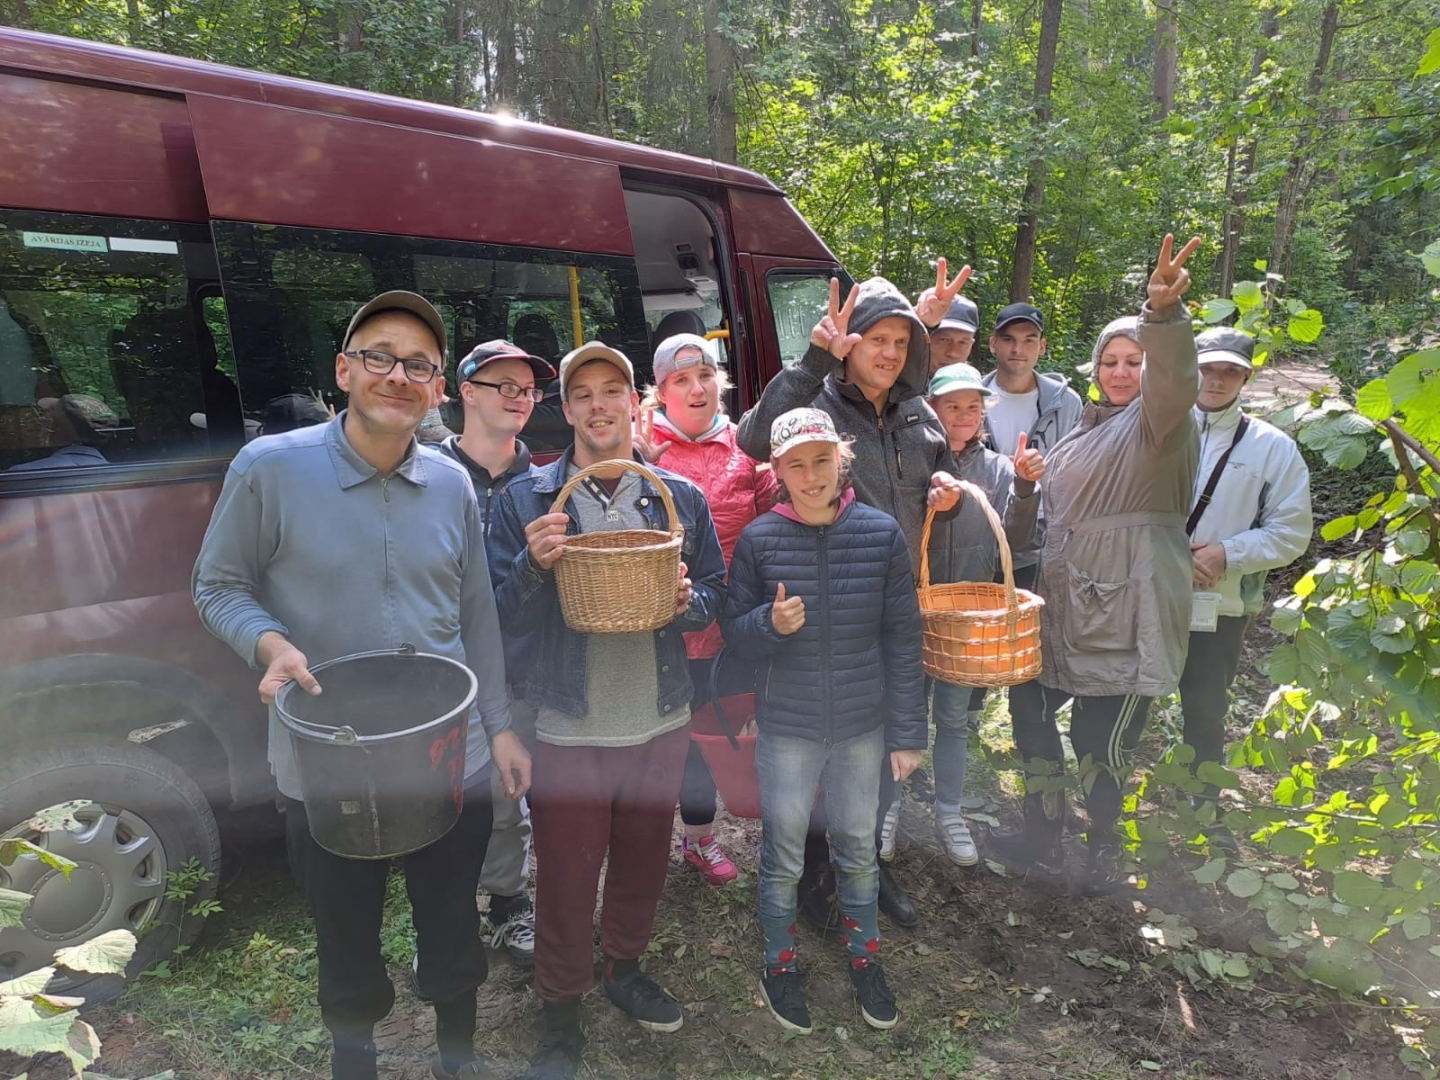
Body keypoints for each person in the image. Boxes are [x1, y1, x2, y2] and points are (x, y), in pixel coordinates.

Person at [192, 291, 531, 1080]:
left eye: (419, 365)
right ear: (344, 370)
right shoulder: (270, 468)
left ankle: (457, 1057)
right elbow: (218, 586)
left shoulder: (449, 484)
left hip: (451, 754)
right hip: (325, 759)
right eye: (379, 356)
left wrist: (501, 725)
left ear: (440, 389)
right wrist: (268, 643)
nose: (398, 375)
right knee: (345, 934)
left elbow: (475, 613)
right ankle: (357, 1065)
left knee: (452, 923)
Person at [488, 341, 727, 1080]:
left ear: (634, 402)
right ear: (567, 407)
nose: (598, 404)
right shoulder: (525, 501)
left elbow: (715, 589)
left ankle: (623, 968)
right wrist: (532, 566)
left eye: (611, 389)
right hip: (566, 725)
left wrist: (690, 607)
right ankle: (561, 1007)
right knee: (563, 872)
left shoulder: (676, 496)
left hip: (658, 717)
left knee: (642, 862)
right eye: (582, 392)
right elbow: (495, 619)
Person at [736, 272, 962, 930]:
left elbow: (934, 492)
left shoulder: (919, 412)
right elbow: (754, 442)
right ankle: (811, 873)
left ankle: (865, 861)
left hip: (892, 611)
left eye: (900, 341)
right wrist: (813, 361)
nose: (889, 353)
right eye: (875, 339)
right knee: (814, 751)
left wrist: (945, 491)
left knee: (886, 743)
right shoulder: (819, 404)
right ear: (849, 345)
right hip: (818, 612)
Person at [999, 235, 1203, 895]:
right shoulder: (1083, 431)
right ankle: (1044, 824)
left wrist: (1164, 317)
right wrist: (1027, 486)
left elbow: (1175, 382)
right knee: (1027, 703)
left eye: (1134, 361)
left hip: (1124, 607)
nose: (1121, 371)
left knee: (1099, 742)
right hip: (1063, 606)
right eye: (1110, 360)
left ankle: (1103, 848)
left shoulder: (1161, 426)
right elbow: (1037, 525)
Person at [721, 407, 926, 1035]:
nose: (811, 476)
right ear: (777, 471)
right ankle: (779, 964)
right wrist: (768, 626)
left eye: (821, 461)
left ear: (842, 460)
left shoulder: (882, 533)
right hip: (787, 725)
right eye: (796, 465)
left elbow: (903, 638)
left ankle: (866, 959)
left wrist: (909, 732)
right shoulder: (760, 539)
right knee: (783, 854)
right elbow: (734, 634)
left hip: (864, 726)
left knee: (859, 849)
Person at [634, 331, 778, 885]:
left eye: (705, 375)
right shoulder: (638, 445)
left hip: (728, 626)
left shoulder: (748, 447)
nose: (696, 389)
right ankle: (640, 846)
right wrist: (631, 462)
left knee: (711, 734)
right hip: (654, 629)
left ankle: (698, 839)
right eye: (679, 379)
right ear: (660, 391)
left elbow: (775, 522)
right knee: (655, 744)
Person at [436, 339, 559, 967]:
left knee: (508, 798)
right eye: (503, 385)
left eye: (528, 389)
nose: (518, 398)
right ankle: (444, 913)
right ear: (466, 393)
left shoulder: (543, 483)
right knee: (440, 799)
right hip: (439, 669)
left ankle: (507, 904)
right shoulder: (427, 471)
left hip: (515, 670)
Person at [1181, 327, 1312, 828]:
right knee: (1132, 700)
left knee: (1206, 710)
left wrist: (1225, 554)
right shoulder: (1157, 427)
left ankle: (1203, 813)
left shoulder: (1272, 449)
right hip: (1148, 595)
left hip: (1220, 606)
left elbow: (1291, 533)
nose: (1215, 380)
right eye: (1207, 368)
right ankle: (1119, 804)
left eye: (1229, 371)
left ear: (1246, 378)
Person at [921, 363, 1044, 865]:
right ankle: (887, 809)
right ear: (932, 408)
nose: (964, 415)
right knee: (901, 714)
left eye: (974, 406)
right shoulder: (911, 459)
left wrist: (1023, 488)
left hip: (967, 620)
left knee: (952, 717)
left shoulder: (995, 469)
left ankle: (949, 811)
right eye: (953, 405)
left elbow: (1015, 541)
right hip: (913, 610)